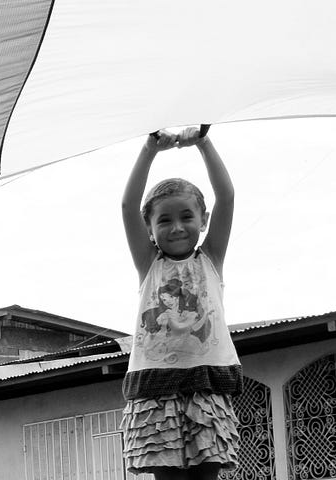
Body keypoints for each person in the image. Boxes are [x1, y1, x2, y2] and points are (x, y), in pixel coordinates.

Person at [116, 127, 241, 480]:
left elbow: (227, 197)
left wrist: (203, 142)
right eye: (164, 220)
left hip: (206, 385)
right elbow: (127, 206)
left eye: (187, 216)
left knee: (208, 473)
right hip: (156, 387)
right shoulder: (149, 264)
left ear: (203, 221)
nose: (176, 227)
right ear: (150, 228)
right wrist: (149, 149)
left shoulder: (211, 260)